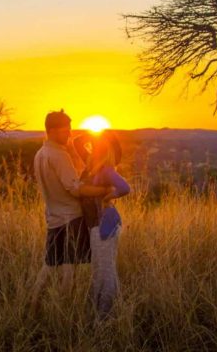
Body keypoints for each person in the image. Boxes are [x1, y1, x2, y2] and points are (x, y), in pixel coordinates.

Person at [29, 110, 113, 312]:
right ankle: (64, 314)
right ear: (52, 131)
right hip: (71, 219)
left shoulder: (40, 154)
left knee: (49, 266)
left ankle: (31, 308)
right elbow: (75, 188)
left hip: (53, 219)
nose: (68, 134)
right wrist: (104, 190)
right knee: (69, 270)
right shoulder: (59, 155)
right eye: (65, 131)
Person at [81, 130, 130, 320]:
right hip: (97, 225)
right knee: (100, 270)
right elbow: (78, 142)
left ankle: (104, 316)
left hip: (105, 226)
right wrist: (94, 134)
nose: (92, 148)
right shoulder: (92, 165)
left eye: (97, 146)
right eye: (93, 145)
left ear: (103, 150)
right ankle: (106, 311)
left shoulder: (106, 170)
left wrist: (110, 196)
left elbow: (125, 188)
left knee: (105, 271)